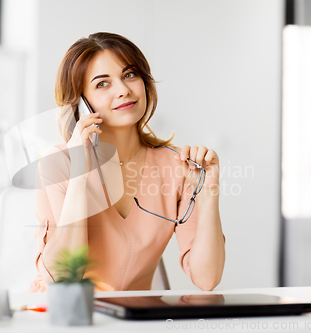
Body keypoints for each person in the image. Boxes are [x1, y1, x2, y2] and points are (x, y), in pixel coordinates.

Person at [29, 32, 225, 292]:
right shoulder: (58, 164)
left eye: (130, 75)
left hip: (136, 320)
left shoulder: (179, 166)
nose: (124, 90)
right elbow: (65, 278)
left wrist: (209, 193)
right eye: (102, 84)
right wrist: (79, 176)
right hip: (73, 317)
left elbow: (207, 279)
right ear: (80, 103)